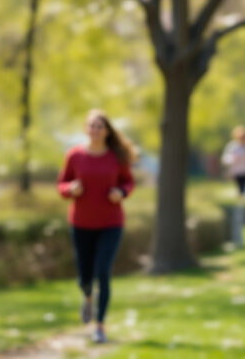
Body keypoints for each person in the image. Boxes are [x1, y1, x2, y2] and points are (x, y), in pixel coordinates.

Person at [57, 109, 137, 343]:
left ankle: (100, 326)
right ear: (85, 129)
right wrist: (70, 189)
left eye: (99, 126)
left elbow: (128, 182)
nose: (95, 130)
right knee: (84, 275)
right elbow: (62, 184)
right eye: (91, 125)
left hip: (111, 223)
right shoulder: (74, 155)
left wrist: (121, 192)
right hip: (81, 222)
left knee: (103, 271)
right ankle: (88, 297)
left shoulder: (116, 157)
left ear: (106, 131)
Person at [222, 125, 245, 196]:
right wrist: (233, 158)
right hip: (237, 171)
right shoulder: (232, 146)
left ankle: (244, 202)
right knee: (240, 189)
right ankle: (240, 203)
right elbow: (225, 159)